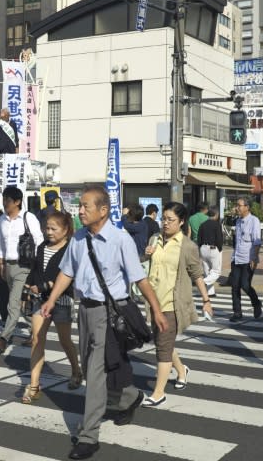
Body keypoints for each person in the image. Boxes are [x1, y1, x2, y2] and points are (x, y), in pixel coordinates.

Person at [40, 185, 168, 460]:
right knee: (89, 369)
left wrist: (155, 310)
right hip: (84, 311)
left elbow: (139, 279)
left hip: (109, 314)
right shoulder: (78, 239)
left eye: (86, 206)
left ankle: (89, 436)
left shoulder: (120, 240)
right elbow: (67, 273)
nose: (80, 210)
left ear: (103, 210)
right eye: (81, 206)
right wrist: (51, 300)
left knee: (96, 374)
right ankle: (129, 398)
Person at [142, 202, 213, 406]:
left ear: (181, 222)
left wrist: (206, 300)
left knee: (162, 348)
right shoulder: (154, 239)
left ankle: (158, 393)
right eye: (163, 218)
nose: (165, 223)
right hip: (154, 302)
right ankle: (181, 370)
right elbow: (147, 264)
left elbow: (197, 274)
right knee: (163, 341)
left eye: (170, 220)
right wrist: (146, 254)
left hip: (173, 304)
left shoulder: (187, 246)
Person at [21, 210, 82, 404]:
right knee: (37, 338)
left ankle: (76, 370)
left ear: (65, 230)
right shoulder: (41, 247)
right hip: (40, 299)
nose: (49, 232)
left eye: (53, 229)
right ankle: (34, 385)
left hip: (62, 301)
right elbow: (34, 270)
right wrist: (26, 290)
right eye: (47, 228)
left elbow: (65, 277)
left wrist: (45, 285)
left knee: (65, 340)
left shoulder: (70, 250)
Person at [0, 186, 45, 353]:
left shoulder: (29, 218)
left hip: (24, 267)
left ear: (18, 202)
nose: (5, 203)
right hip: (9, 266)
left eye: (8, 200)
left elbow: (39, 241)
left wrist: (36, 267)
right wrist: (1, 264)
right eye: (4, 199)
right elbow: (1, 243)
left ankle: (4, 339)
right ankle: (34, 330)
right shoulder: (2, 220)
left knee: (12, 303)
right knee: (20, 304)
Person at [229, 198, 263, 322]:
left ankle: (256, 303)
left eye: (239, 205)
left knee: (245, 285)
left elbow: (257, 241)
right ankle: (237, 312)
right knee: (235, 286)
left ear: (247, 207)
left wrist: (254, 257)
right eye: (236, 205)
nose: (237, 208)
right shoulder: (238, 221)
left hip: (248, 259)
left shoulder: (254, 220)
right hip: (237, 258)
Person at [197, 206, 223, 297]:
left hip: (203, 248)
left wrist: (200, 248)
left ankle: (210, 292)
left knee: (207, 271)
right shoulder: (217, 224)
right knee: (216, 271)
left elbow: (199, 238)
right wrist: (219, 249)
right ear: (216, 214)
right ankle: (202, 282)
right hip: (213, 248)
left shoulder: (203, 224)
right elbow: (219, 238)